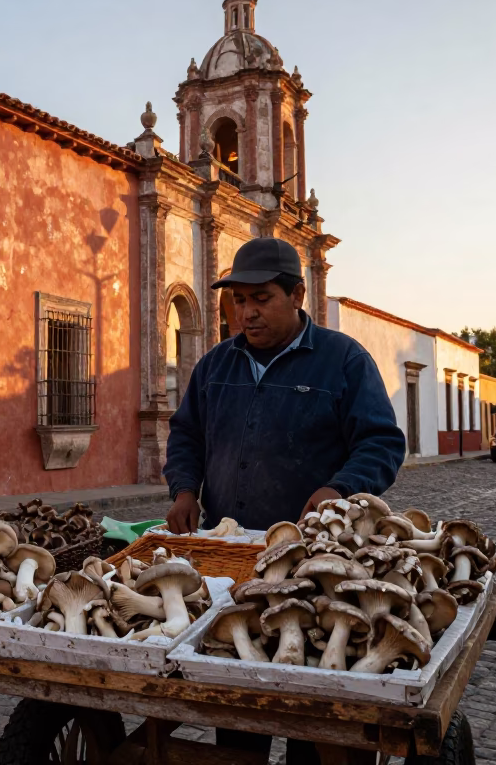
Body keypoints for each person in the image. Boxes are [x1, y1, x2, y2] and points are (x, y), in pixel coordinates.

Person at [163, 237, 406, 762]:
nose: (247, 313)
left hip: (319, 565)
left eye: (261, 299)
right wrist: (184, 487)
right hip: (236, 564)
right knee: (241, 697)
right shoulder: (214, 366)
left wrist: (339, 488)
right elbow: (185, 434)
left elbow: (382, 442)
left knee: (312, 702)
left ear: (297, 295)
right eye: (238, 301)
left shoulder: (343, 360)